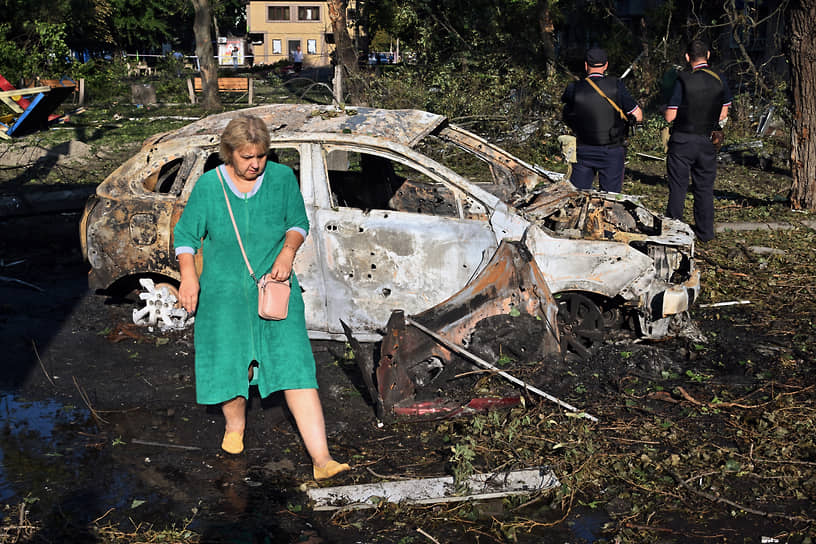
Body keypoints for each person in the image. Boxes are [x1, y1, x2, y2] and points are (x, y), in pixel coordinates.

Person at [174, 115, 350, 481]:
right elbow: (186, 238)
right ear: (229, 154)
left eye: (261, 156)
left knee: (296, 366)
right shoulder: (210, 186)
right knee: (230, 365)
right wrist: (189, 278)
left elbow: (298, 223)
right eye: (246, 157)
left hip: (275, 291)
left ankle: (322, 459)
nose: (255, 164)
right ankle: (234, 427)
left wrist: (287, 254)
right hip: (223, 297)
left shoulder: (282, 179)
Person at [663, 39, 732, 242]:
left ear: (687, 57)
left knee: (678, 187)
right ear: (708, 55)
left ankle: (674, 230)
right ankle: (705, 232)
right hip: (706, 140)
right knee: (704, 188)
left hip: (683, 140)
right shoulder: (719, 79)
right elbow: (723, 113)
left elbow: (670, 116)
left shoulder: (682, 79)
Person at [561, 47, 643, 193]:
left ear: (586, 66)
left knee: (578, 198)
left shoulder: (574, 89)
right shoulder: (617, 86)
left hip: (583, 150)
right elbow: (638, 115)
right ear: (606, 65)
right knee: (610, 200)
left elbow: (566, 115)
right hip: (612, 150)